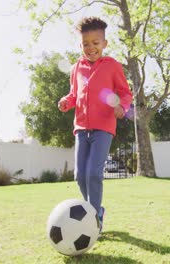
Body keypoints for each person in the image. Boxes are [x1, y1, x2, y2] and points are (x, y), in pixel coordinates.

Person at [58, 17, 133, 232]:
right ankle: (95, 211)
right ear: (80, 45)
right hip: (81, 128)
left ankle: (94, 218)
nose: (91, 48)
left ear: (105, 43)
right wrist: (66, 102)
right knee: (80, 176)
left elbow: (125, 93)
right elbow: (74, 94)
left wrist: (123, 107)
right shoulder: (76, 68)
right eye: (85, 44)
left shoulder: (112, 66)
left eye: (95, 43)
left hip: (104, 128)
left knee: (94, 173)